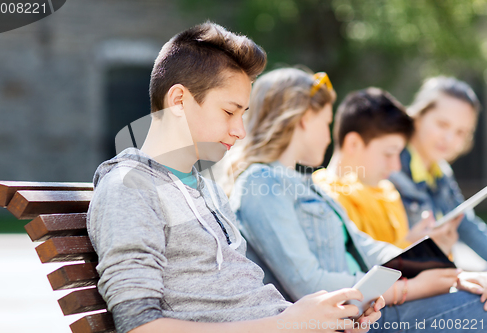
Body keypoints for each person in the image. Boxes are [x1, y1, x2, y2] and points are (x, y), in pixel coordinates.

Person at [87, 23, 381, 333]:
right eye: (230, 112)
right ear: (178, 101)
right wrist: (290, 324)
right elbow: (139, 326)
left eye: (243, 115)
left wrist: (323, 321)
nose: (240, 130)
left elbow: (243, 302)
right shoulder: (130, 188)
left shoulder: (209, 191)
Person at [229, 67, 487, 333]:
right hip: (345, 319)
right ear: (305, 119)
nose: (330, 137)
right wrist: (407, 288)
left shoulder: (305, 184)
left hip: (365, 312)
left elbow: (368, 247)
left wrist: (442, 271)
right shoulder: (262, 182)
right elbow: (307, 282)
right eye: (327, 123)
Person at [312, 88, 459, 254]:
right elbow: (357, 274)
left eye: (399, 154)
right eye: (389, 153)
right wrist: (409, 248)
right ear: (353, 144)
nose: (396, 166)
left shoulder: (388, 193)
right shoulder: (321, 198)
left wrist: (431, 250)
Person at [389, 77, 487, 262]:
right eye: (442, 125)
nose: (449, 139)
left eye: (461, 132)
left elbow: (465, 225)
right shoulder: (390, 168)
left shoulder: (441, 171)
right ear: (418, 116)